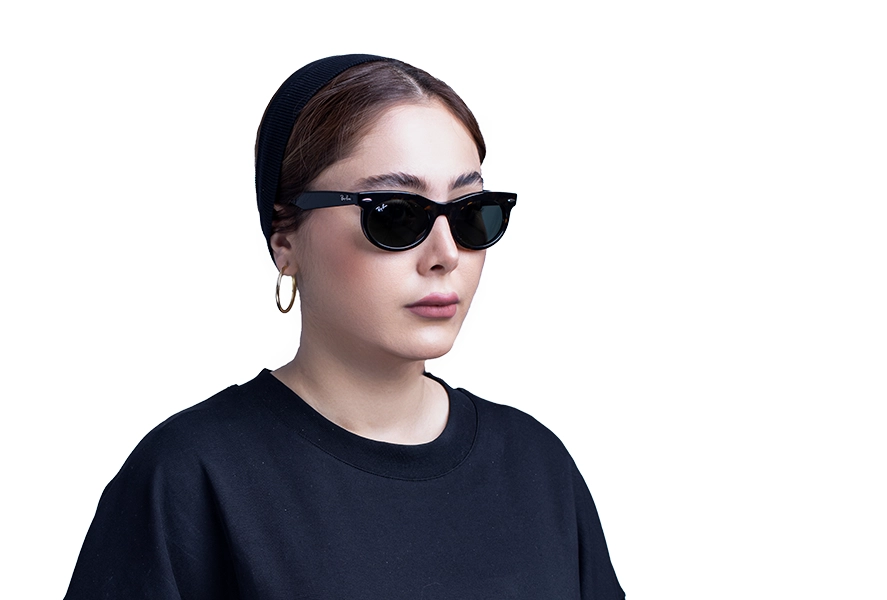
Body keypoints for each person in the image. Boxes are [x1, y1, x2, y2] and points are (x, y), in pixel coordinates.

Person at [64, 54, 624, 599]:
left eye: (471, 213)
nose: (446, 254)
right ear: (285, 239)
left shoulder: (536, 467)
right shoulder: (190, 478)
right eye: (395, 214)